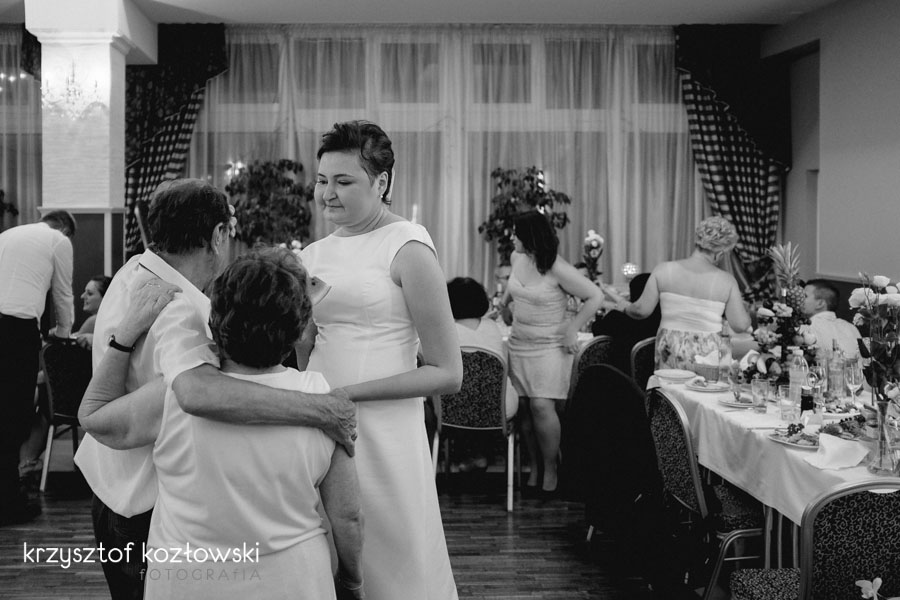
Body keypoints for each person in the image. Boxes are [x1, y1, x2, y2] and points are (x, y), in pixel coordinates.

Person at [74, 179, 357, 600]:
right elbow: (197, 393)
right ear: (219, 234)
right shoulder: (181, 311)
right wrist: (321, 409)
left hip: (113, 484)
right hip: (141, 505)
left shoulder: (133, 271)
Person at [298, 120, 462, 600]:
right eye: (322, 180)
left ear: (381, 182)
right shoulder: (312, 254)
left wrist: (347, 394)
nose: (327, 194)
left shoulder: (408, 246)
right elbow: (306, 345)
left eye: (343, 181)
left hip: (385, 428)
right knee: (329, 544)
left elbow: (448, 373)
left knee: (391, 549)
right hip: (321, 419)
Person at [498, 210, 605, 496]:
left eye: (517, 233)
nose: (512, 238)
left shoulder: (557, 267)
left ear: (530, 236)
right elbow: (513, 288)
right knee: (523, 408)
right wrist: (504, 304)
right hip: (519, 342)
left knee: (541, 406)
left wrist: (573, 328)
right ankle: (533, 468)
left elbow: (595, 296)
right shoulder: (517, 258)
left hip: (550, 347)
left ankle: (551, 469)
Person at [0, 209, 76, 525]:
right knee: (14, 414)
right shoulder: (59, 240)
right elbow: (63, 294)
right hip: (16, 329)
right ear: (65, 229)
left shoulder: (7, 235)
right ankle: (8, 504)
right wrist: (63, 333)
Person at [602, 215, 751, 369]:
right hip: (709, 353)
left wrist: (624, 307)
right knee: (706, 385)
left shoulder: (664, 270)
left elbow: (641, 310)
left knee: (670, 384)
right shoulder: (727, 281)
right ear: (721, 252)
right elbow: (740, 325)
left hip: (670, 348)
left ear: (697, 241)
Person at [446, 277, 518, 472]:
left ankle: (451, 458)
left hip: (451, 411)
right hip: (498, 408)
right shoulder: (492, 328)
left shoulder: (444, 331)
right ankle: (480, 455)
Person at [591, 272, 661, 374]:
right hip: (653, 373)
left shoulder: (618, 318)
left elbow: (596, 330)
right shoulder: (662, 318)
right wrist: (605, 290)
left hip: (623, 374)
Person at [802, 278, 861, 358]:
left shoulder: (806, 328)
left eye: (804, 296)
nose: (799, 299)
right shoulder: (852, 328)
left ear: (820, 303)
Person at [74, 274, 112, 350]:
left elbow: (71, 346)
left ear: (105, 298)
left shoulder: (95, 320)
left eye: (90, 293)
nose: (82, 296)